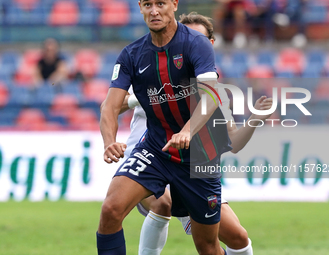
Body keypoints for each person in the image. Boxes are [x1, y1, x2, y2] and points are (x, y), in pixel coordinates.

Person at [114, 12, 273, 255]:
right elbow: (114, 103)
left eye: (197, 39)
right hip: (152, 163)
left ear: (209, 45)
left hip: (193, 171)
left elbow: (234, 142)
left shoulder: (214, 94)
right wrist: (146, 96)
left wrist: (254, 120)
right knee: (162, 203)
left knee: (237, 237)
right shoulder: (153, 70)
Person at [98, 1, 231, 254]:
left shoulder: (195, 43)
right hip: (156, 151)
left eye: (160, 3)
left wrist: (187, 131)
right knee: (111, 209)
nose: (154, 11)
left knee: (207, 245)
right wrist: (109, 141)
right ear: (140, 8)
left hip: (198, 156)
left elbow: (211, 95)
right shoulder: (131, 54)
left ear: (174, 4)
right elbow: (109, 106)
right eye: (148, 4)